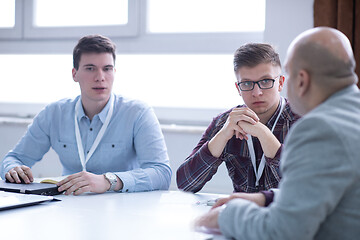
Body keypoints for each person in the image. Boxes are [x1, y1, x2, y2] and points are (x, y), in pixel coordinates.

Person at [195, 27, 360, 239]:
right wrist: (266, 198)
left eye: (286, 76)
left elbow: (283, 232)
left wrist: (226, 216)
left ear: (301, 80)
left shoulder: (318, 128)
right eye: (247, 84)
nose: (257, 92)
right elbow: (318, 188)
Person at [0, 35, 172, 195]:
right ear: (75, 74)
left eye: (107, 69)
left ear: (114, 72)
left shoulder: (138, 113)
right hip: (68, 205)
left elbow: (162, 173)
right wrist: (12, 169)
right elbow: (14, 158)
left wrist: (109, 181)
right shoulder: (54, 113)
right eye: (90, 68)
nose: (100, 77)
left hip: (122, 208)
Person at [177, 43, 300, 193]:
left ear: (280, 83)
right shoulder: (225, 122)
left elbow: (307, 186)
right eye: (247, 83)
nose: (257, 92)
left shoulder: (302, 121)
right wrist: (221, 136)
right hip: (242, 214)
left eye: (266, 81)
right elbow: (185, 184)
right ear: (238, 88)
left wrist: (265, 135)